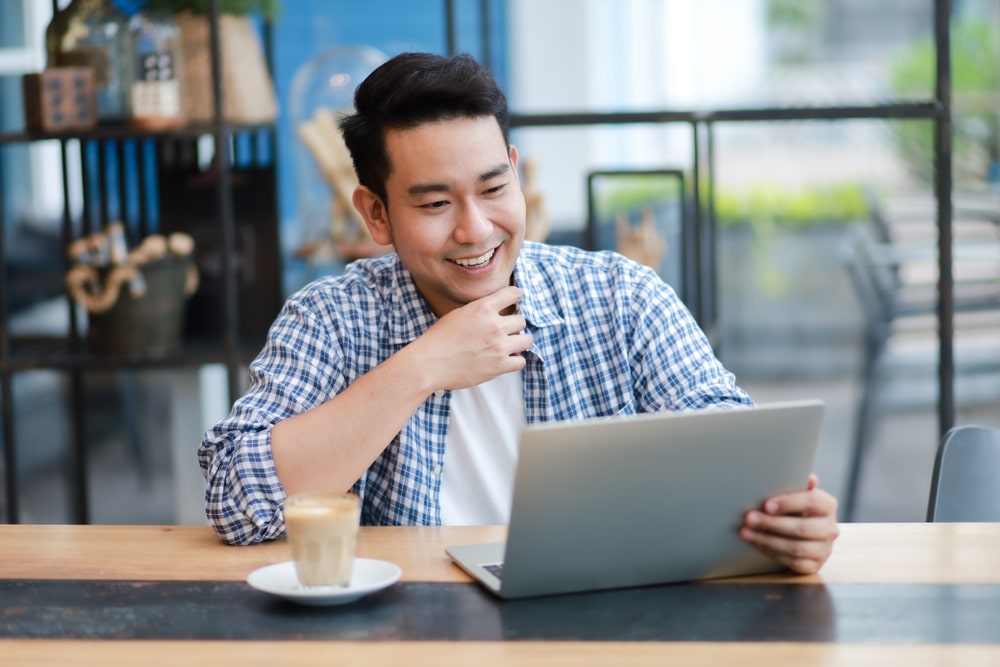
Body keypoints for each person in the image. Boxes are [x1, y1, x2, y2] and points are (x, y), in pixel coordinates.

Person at [199, 52, 839, 574]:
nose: (476, 230)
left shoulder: (620, 296)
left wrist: (789, 522)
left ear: (515, 173)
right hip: (407, 636)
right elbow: (236, 500)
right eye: (433, 205)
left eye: (493, 189)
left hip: (602, 623)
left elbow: (740, 449)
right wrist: (421, 367)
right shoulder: (332, 318)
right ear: (375, 214)